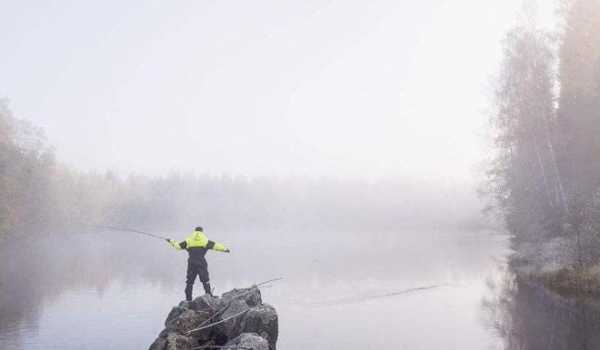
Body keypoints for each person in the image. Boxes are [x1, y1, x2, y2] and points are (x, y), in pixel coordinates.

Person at [166, 226, 230, 300]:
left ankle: (188, 299)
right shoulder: (205, 240)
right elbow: (216, 246)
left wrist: (171, 241)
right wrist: (225, 249)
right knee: (205, 279)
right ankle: (209, 295)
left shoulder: (189, 240)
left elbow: (177, 246)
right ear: (202, 232)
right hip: (201, 262)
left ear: (194, 231)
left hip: (191, 262)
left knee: (190, 281)